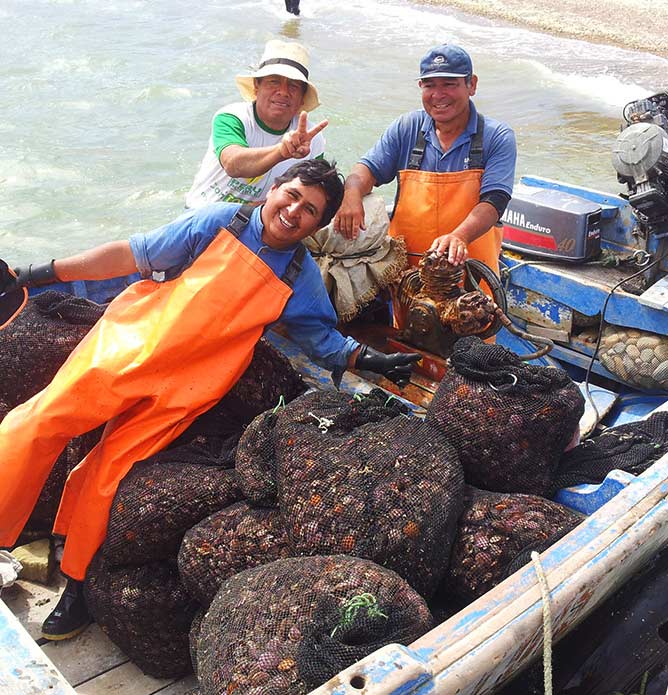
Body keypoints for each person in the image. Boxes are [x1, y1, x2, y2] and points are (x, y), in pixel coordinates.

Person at [0, 159, 420, 641]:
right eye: (292, 195)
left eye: (310, 211)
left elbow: (319, 338)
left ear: (317, 226)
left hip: (188, 389)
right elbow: (133, 254)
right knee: (30, 425)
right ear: (274, 189)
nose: (294, 211)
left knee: (109, 472)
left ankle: (76, 584)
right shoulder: (220, 221)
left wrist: (369, 360)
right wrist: (42, 272)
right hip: (127, 349)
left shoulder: (301, 276)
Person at [333, 44, 516, 278]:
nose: (438, 95)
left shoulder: (497, 136)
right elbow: (366, 170)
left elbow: (495, 201)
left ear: (472, 85)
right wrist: (351, 194)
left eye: (449, 84)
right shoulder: (407, 128)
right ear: (420, 87)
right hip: (408, 281)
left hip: (472, 282)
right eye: (430, 85)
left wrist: (459, 236)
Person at [185, 39, 326, 209]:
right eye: (273, 82)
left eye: (293, 86)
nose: (283, 92)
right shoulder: (232, 117)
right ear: (256, 87)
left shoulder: (312, 138)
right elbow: (234, 164)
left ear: (302, 98)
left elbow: (313, 193)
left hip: (257, 222)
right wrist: (283, 151)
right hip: (202, 215)